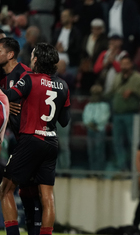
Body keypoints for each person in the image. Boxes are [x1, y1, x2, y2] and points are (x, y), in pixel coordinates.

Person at [0, 43, 71, 235]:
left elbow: (7, 96)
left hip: (31, 140)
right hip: (51, 143)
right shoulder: (64, 85)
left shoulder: (29, 78)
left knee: (5, 190)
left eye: (32, 55)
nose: (30, 58)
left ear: (36, 59)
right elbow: (64, 121)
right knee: (47, 197)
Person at [0, 37, 42, 235]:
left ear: (10, 55)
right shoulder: (3, 77)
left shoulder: (25, 74)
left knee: (11, 189)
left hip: (31, 139)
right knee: (27, 191)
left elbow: (40, 98)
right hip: (19, 141)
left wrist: (22, 103)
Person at [106, 55, 140, 171]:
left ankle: (134, 167)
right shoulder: (117, 77)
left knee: (132, 142)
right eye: (122, 64)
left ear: (131, 65)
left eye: (126, 64)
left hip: (131, 115)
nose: (124, 66)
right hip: (117, 114)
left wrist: (133, 92)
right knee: (117, 143)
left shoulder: (139, 78)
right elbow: (112, 92)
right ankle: (121, 167)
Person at [83, 84, 110, 171]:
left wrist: (96, 124)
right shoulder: (88, 106)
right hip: (90, 130)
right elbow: (85, 117)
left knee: (99, 152)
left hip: (100, 130)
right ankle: (92, 171)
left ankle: (99, 171)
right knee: (91, 152)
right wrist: (89, 124)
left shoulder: (104, 106)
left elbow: (104, 117)